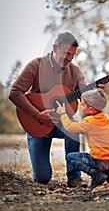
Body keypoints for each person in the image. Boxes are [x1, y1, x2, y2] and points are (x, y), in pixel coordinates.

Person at [9, 32, 87, 187]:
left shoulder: (75, 71)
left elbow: (86, 96)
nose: (69, 58)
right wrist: (37, 115)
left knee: (74, 128)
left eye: (73, 55)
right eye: (66, 53)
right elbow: (14, 92)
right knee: (43, 178)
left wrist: (96, 94)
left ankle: (74, 177)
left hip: (60, 123)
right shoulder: (35, 65)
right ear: (55, 48)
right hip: (37, 125)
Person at [56, 88, 109, 190]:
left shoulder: (89, 121)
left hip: (101, 161)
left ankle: (96, 174)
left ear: (91, 109)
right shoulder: (105, 117)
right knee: (101, 160)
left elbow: (70, 128)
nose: (81, 107)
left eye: (83, 105)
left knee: (70, 157)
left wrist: (62, 114)